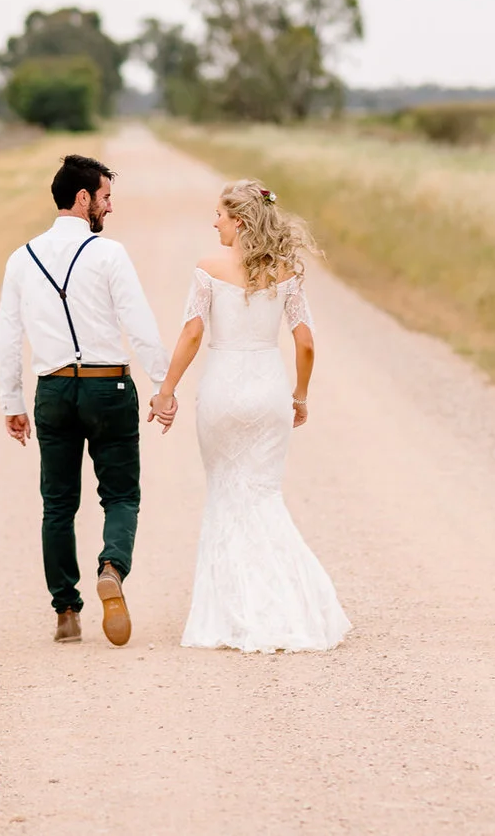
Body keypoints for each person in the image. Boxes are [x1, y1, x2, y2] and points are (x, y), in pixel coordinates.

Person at [148, 178, 350, 652]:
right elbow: (305, 342)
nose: (213, 222)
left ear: (238, 220)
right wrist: (299, 396)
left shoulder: (207, 269)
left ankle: (229, 614)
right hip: (267, 390)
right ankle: (287, 606)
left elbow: (193, 335)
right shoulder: (286, 273)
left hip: (221, 389)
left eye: (219, 214)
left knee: (225, 495)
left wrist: (166, 391)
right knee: (262, 495)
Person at [0, 153, 169, 645]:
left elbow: (7, 334)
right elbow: (138, 322)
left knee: (57, 504)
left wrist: (12, 402)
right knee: (119, 494)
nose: (110, 209)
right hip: (108, 385)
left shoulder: (21, 258)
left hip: (53, 389)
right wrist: (163, 386)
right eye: (106, 197)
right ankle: (111, 568)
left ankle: (66, 612)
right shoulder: (109, 254)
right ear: (83, 198)